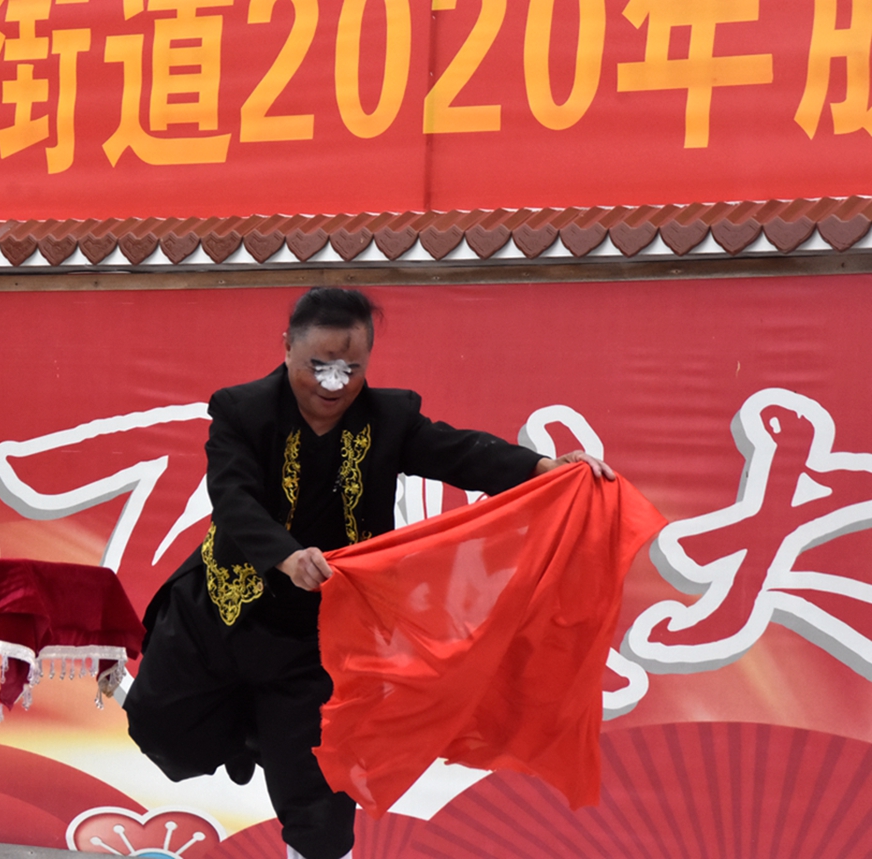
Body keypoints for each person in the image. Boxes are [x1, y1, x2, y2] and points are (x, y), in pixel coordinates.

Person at [123, 288, 612, 859]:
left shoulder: (389, 418)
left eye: (350, 369)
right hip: (219, 618)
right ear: (287, 348)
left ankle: (280, 744)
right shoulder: (241, 410)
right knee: (160, 727)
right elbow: (234, 501)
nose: (333, 384)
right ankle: (251, 732)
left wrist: (545, 468)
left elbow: (460, 453)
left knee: (320, 800)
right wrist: (287, 556)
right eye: (319, 366)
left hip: (318, 639)